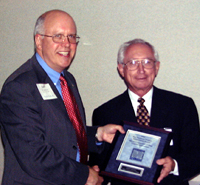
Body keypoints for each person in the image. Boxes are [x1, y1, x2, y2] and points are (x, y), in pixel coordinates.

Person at [0, 10, 125, 185]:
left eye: (72, 37)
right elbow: (35, 156)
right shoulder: (19, 87)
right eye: (58, 36)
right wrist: (85, 175)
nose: (66, 44)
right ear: (39, 41)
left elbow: (59, 131)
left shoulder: (67, 80)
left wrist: (97, 134)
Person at [89, 38, 200, 185]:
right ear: (121, 69)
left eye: (147, 62)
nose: (141, 70)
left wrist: (174, 165)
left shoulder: (182, 106)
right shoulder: (104, 113)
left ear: (157, 67)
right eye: (133, 63)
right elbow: (99, 165)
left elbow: (196, 156)